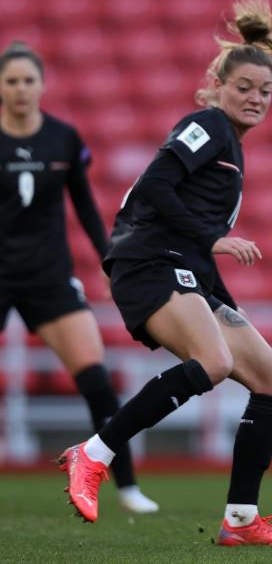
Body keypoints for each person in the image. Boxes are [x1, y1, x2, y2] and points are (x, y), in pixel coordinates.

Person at [55, 0, 272, 547]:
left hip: (181, 270)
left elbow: (191, 233)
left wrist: (226, 306)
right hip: (149, 262)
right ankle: (93, 454)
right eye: (243, 87)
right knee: (212, 361)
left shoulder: (233, 148)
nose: (255, 98)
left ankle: (241, 520)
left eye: (265, 91)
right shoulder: (207, 125)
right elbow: (155, 186)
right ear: (217, 85)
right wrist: (214, 238)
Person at [0, 41, 157, 513]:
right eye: (12, 81)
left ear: (42, 85)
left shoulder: (63, 138)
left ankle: (125, 485)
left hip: (49, 275)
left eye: (29, 80)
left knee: (96, 381)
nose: (21, 89)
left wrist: (112, 262)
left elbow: (86, 208)